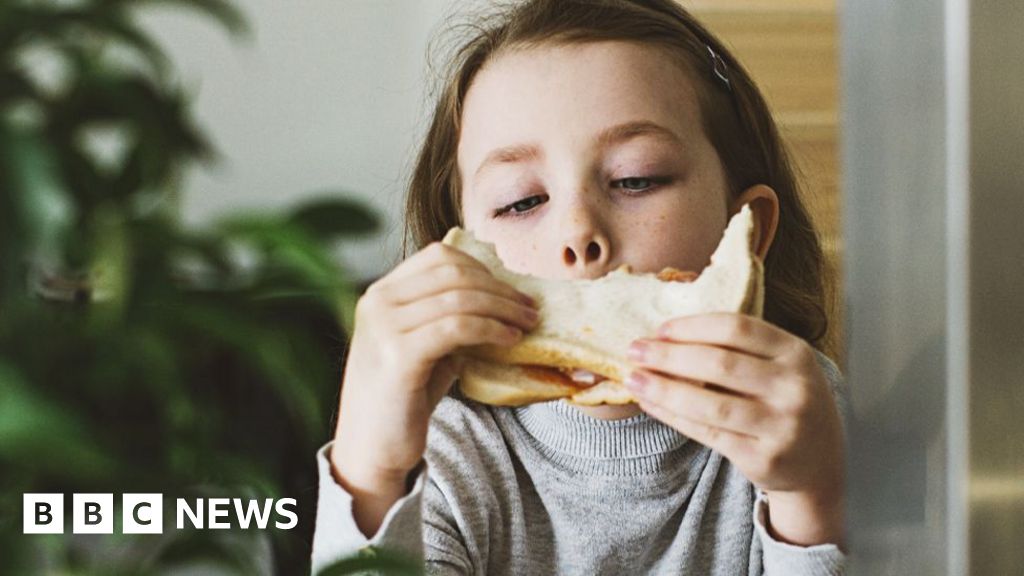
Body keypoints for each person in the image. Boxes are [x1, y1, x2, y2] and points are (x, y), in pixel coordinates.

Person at [311, 0, 847, 573]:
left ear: (745, 236)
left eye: (635, 178)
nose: (577, 233)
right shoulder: (447, 450)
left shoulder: (798, 418)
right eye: (522, 201)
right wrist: (371, 472)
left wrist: (812, 499)